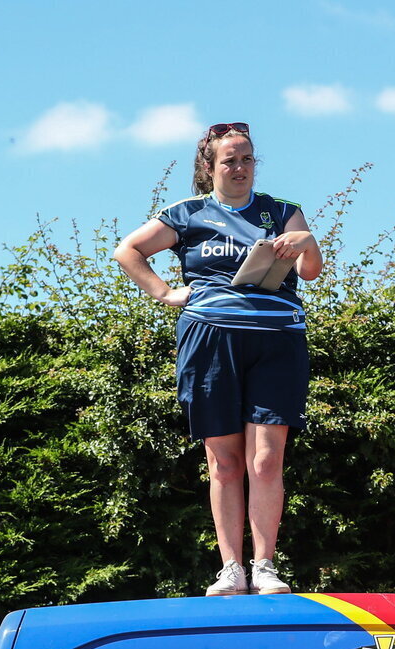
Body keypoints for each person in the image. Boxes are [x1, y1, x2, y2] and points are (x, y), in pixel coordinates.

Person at [113, 122, 322, 596]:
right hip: (209, 340)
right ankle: (231, 568)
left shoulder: (282, 211)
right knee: (224, 463)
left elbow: (310, 272)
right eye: (230, 159)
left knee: (267, 460)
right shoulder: (186, 214)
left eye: (247, 158)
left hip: (278, 341)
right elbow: (127, 251)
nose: (241, 167)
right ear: (209, 168)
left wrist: (307, 243)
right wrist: (165, 292)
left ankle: (265, 565)